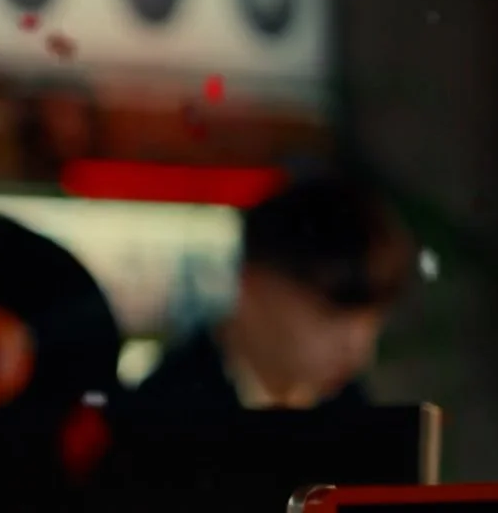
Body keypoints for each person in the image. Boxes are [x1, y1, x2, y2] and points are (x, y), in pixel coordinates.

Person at [132, 173, 413, 411]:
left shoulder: (352, 411)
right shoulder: (167, 412)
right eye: (330, 316)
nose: (357, 349)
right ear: (255, 287)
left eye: (373, 322)